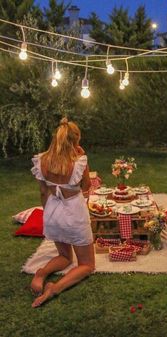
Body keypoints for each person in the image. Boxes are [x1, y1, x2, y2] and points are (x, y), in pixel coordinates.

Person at [30, 117, 95, 308]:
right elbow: (86, 186)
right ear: (75, 142)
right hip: (73, 213)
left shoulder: (41, 160)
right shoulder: (78, 162)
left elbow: (43, 192)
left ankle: (41, 272)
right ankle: (54, 288)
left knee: (65, 256)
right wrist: (83, 159)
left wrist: (47, 213)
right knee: (87, 265)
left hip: (52, 211)